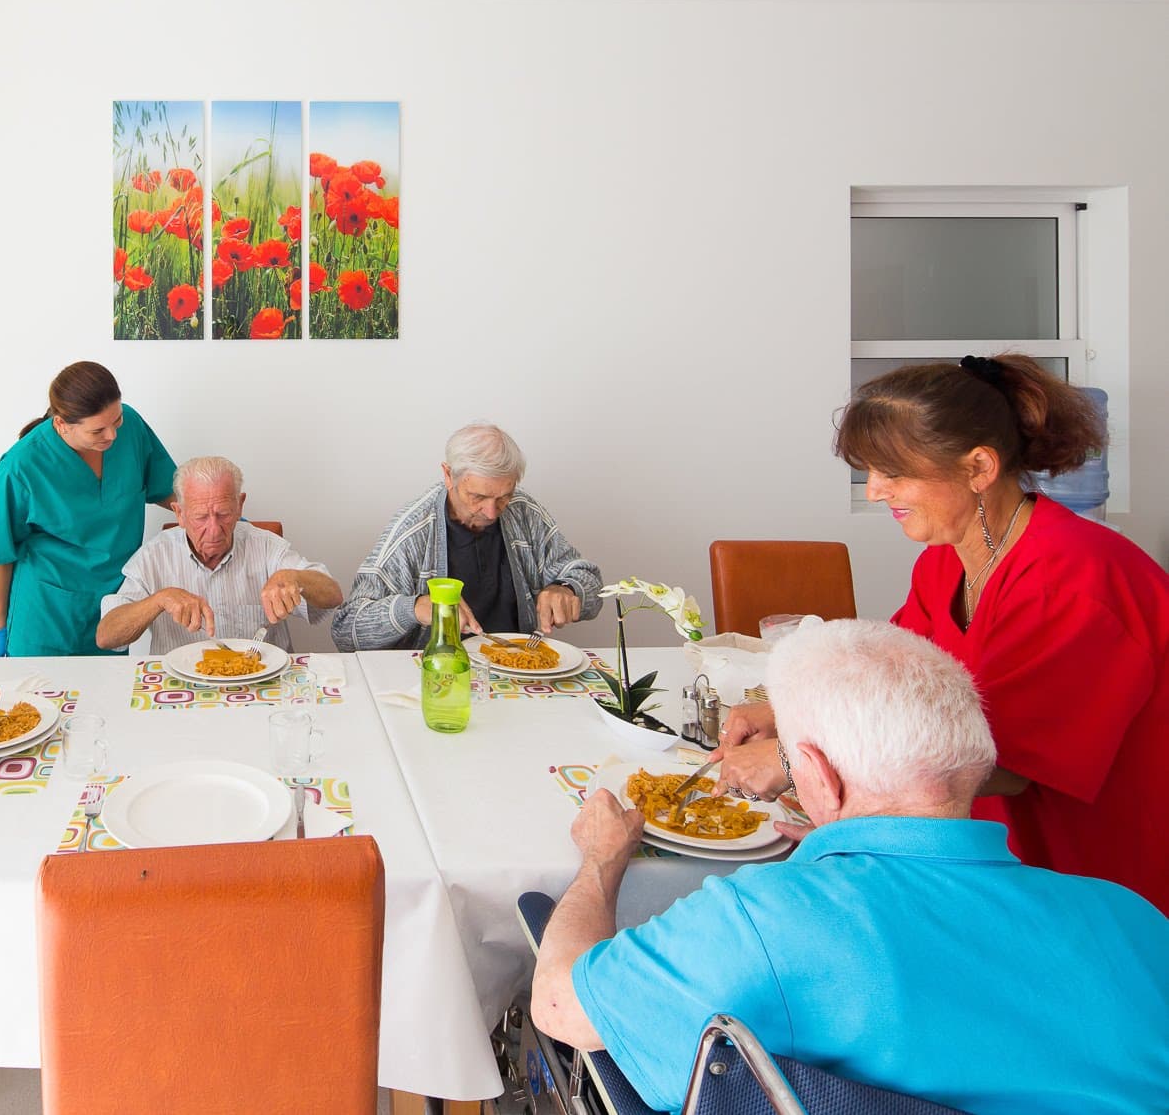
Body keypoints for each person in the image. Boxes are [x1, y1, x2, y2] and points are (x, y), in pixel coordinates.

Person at [531, 620, 1169, 1114]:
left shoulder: (765, 915)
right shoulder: (1135, 918)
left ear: (818, 775)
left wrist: (602, 863)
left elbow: (560, 1008)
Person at [710, 354, 1169, 913]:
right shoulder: (946, 561)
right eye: (868, 472)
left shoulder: (1074, 582)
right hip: (980, 856)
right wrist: (785, 711)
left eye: (893, 472)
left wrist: (789, 760)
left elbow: (998, 765)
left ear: (979, 467)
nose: (876, 491)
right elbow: (892, 692)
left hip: (1086, 886)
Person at [331, 423, 603, 651]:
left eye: (503, 497)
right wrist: (415, 608)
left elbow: (590, 583)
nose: (492, 512)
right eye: (478, 497)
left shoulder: (523, 511)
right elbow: (346, 629)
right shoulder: (414, 530)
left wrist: (567, 588)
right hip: (438, 677)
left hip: (516, 671)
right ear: (448, 475)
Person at [0, 361, 176, 656]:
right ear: (61, 425)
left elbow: (168, 488)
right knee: (40, 699)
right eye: (98, 430)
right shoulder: (20, 467)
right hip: (46, 613)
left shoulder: (131, 428)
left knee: (106, 698)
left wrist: (214, 515)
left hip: (112, 605)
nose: (112, 435)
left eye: (117, 421)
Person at [96, 456, 341, 654]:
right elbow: (107, 636)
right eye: (201, 517)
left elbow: (333, 595)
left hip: (264, 687)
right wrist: (159, 600)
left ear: (239, 506)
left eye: (223, 513)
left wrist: (295, 577)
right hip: (182, 692)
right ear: (179, 513)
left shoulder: (266, 546)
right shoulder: (154, 555)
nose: (213, 529)